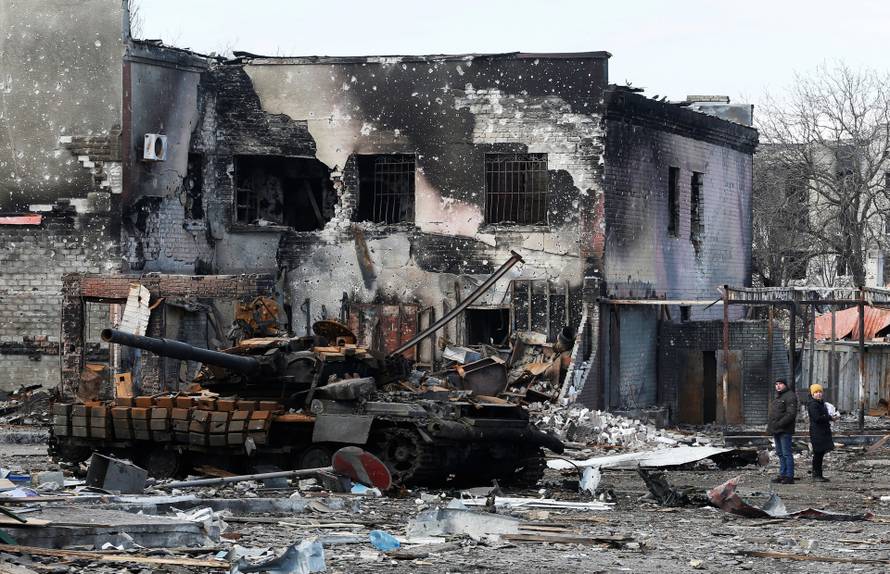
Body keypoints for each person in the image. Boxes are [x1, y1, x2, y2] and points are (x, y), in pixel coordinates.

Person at [767, 378, 798, 484]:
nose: (778, 386)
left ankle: (789, 476)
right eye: (776, 384)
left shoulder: (790, 396)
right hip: (777, 429)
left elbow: (791, 414)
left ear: (785, 385)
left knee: (786, 453)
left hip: (785, 430)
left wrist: (779, 424)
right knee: (780, 453)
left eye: (780, 384)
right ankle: (783, 474)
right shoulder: (778, 396)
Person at [807, 383, 835, 482]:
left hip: (822, 431)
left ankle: (819, 474)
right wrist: (829, 417)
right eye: (816, 392)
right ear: (812, 394)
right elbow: (817, 418)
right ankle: (816, 475)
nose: (818, 394)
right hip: (817, 432)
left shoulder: (821, 403)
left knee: (820, 453)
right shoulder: (813, 405)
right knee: (818, 453)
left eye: (820, 392)